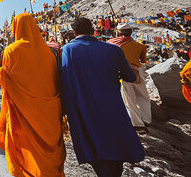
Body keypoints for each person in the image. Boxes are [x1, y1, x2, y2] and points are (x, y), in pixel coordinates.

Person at [61, 17, 144, 177]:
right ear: (93, 30)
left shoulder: (67, 50)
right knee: (116, 148)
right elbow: (129, 77)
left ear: (73, 32)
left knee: (94, 149)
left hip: (84, 109)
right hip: (112, 107)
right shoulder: (113, 50)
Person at [0, 13, 66, 176]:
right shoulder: (49, 53)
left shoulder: (11, 50)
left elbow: (7, 82)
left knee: (26, 148)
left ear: (16, 28)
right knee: (49, 153)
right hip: (48, 113)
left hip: (23, 110)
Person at [109, 23, 151, 133]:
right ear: (131, 32)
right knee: (143, 95)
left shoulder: (112, 44)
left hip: (123, 72)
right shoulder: (140, 45)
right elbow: (143, 61)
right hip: (138, 71)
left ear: (119, 33)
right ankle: (147, 119)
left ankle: (138, 124)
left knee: (129, 99)